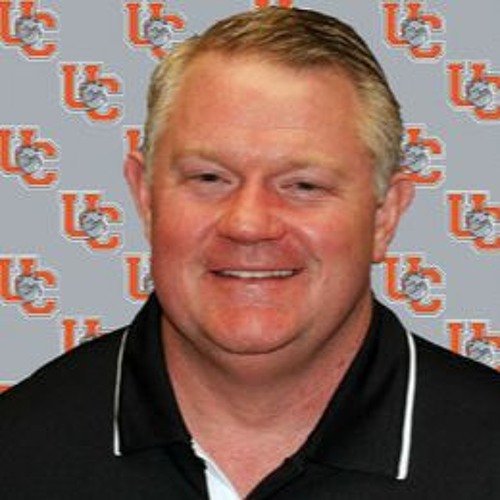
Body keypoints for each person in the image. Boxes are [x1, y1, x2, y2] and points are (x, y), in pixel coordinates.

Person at [1, 6, 500, 499]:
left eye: (303, 185)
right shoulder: (17, 452)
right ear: (146, 198)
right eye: (209, 178)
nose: (248, 224)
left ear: (385, 215)